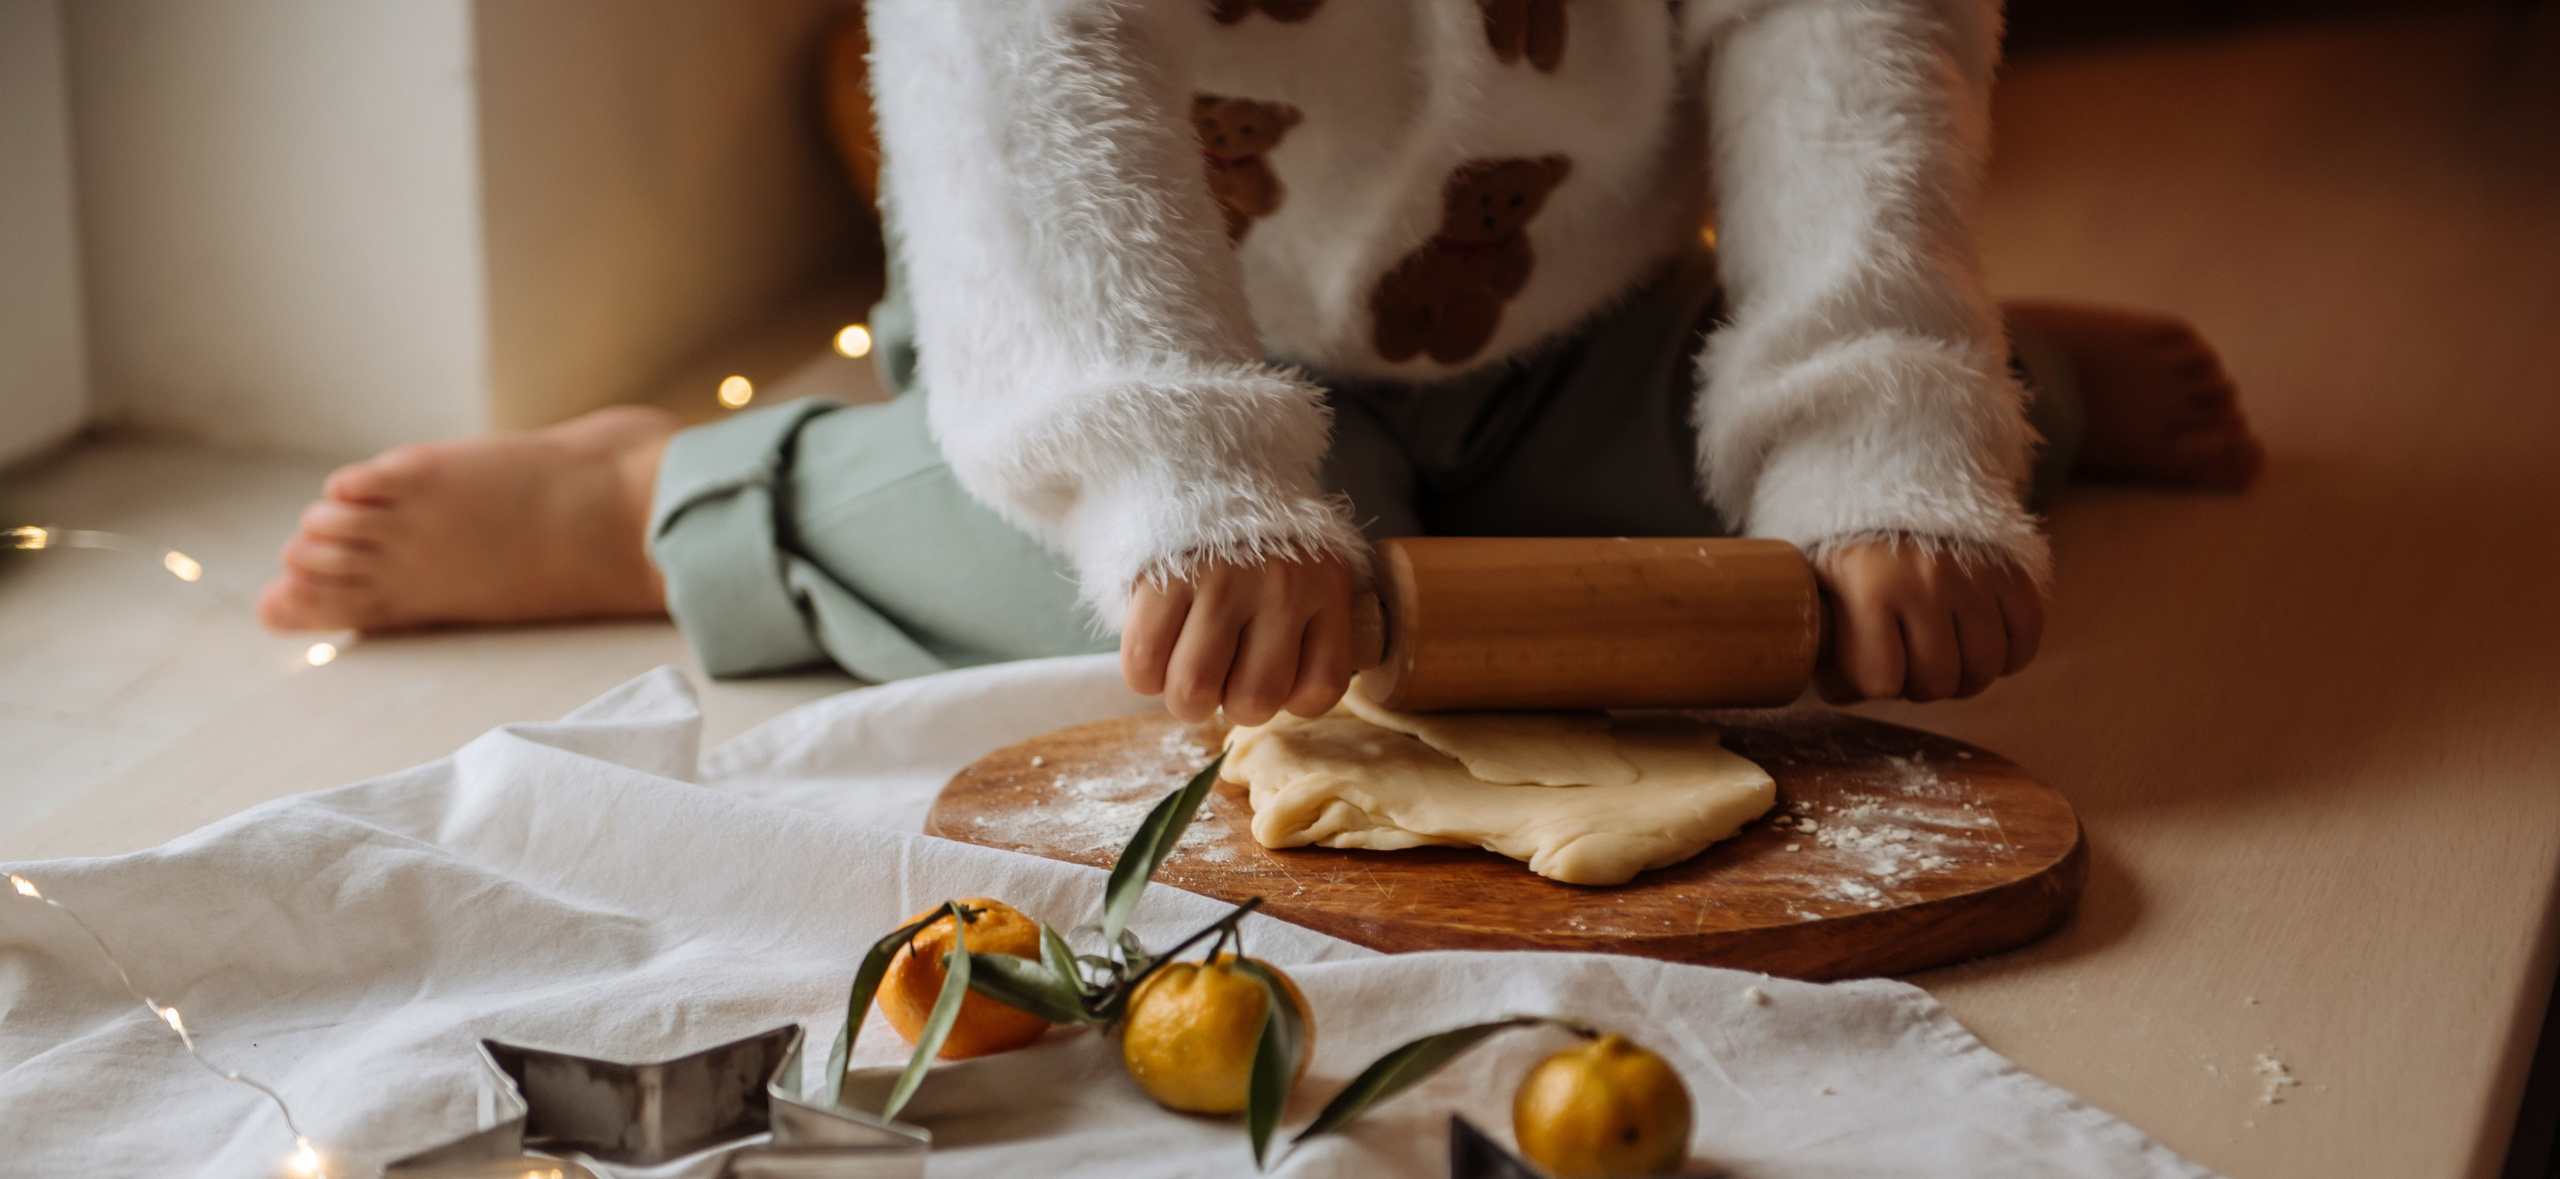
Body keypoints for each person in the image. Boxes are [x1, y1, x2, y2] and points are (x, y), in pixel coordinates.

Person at [261, 0, 2260, 725]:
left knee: (1842, 553)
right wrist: (1173, 483)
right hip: (1115, 311)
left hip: (1562, 310)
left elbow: (1844, 51)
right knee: (1160, 631)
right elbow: (1020, 83)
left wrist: (1877, 433)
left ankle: (1974, 383)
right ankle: (677, 497)